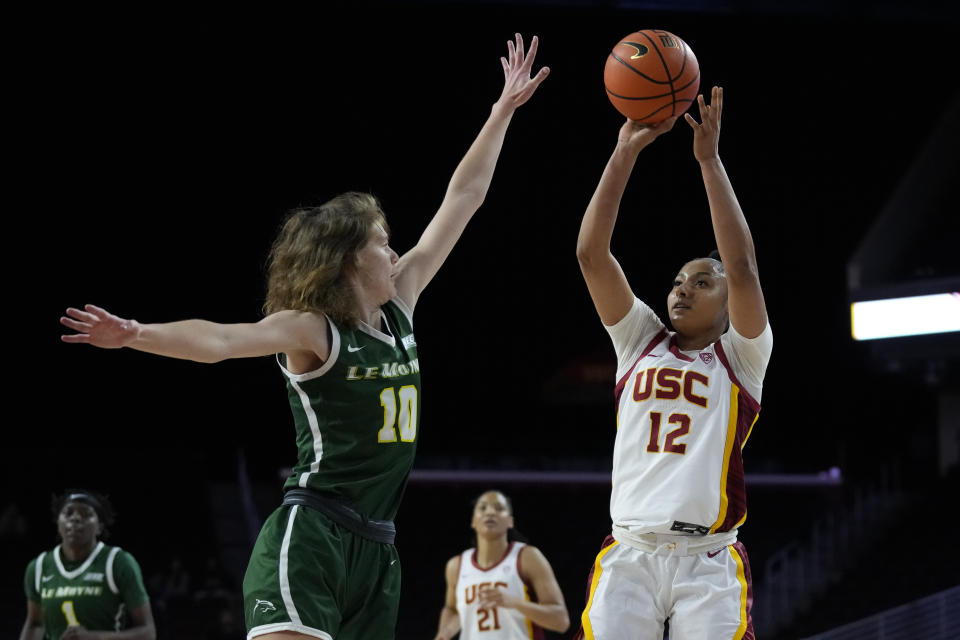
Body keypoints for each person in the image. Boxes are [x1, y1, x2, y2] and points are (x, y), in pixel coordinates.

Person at [60, 33, 549, 640]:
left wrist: (500, 112)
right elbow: (219, 341)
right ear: (347, 260)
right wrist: (135, 333)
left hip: (379, 547)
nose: (395, 250)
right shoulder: (314, 329)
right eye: (381, 240)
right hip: (314, 531)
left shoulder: (400, 301)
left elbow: (465, 197)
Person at [574, 87, 772, 640]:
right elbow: (592, 254)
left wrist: (708, 161)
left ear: (730, 302)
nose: (683, 290)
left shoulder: (742, 355)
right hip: (631, 552)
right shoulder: (639, 339)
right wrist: (623, 155)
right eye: (678, 282)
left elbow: (743, 265)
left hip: (707, 560)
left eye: (702, 282)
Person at [18, 490, 156, 640]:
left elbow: (147, 633)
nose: (75, 518)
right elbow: (36, 624)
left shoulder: (117, 562)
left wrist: (94, 637)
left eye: (85, 513)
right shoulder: (39, 567)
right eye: (68, 513)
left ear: (99, 527)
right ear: (58, 523)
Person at [433, 490, 569, 640]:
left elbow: (561, 621)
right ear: (473, 521)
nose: (490, 512)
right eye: (483, 508)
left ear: (510, 521)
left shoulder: (527, 557)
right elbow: (452, 609)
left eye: (499, 508)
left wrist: (514, 602)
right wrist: (445, 633)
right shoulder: (456, 565)